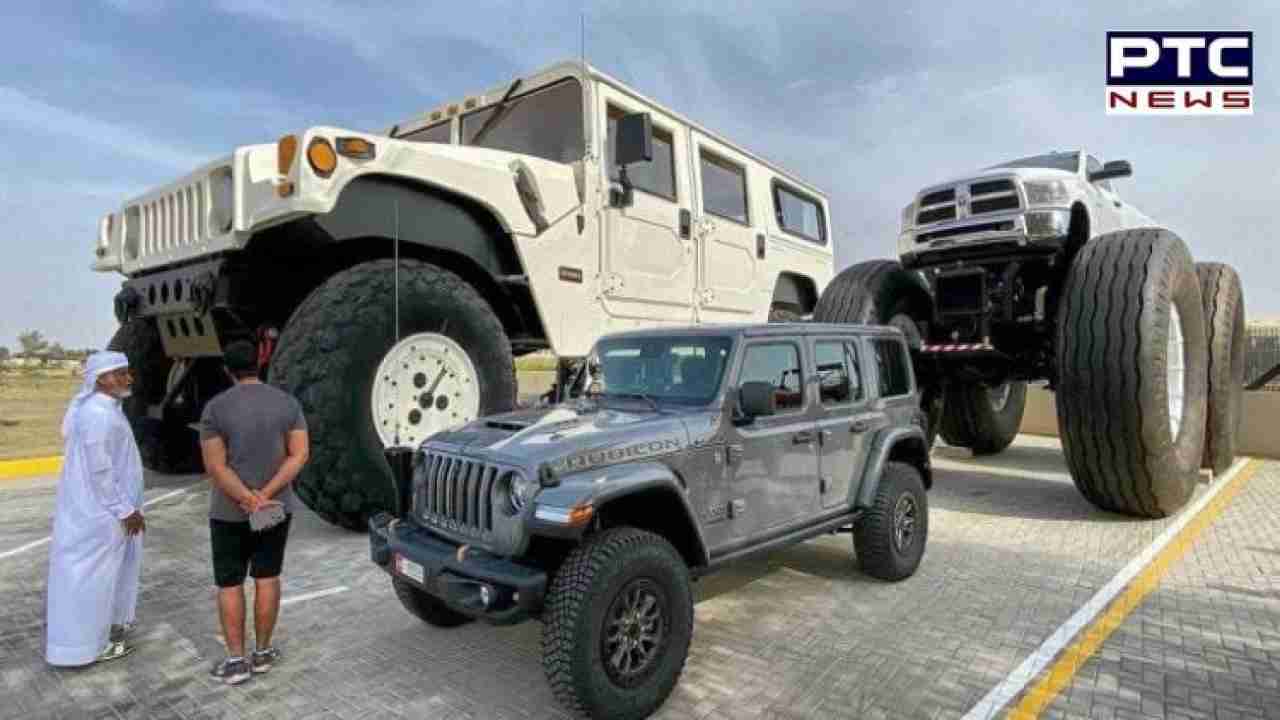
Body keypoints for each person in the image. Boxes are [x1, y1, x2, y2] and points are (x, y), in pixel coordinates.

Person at [199, 340, 309, 685]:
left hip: (228, 512)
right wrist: (266, 495)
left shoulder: (215, 409)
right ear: (261, 361)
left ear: (227, 368)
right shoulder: (288, 404)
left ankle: (235, 662)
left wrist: (247, 498)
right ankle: (262, 654)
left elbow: (216, 467)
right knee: (267, 577)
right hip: (274, 509)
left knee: (230, 584)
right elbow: (299, 455)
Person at [46, 351, 145, 667]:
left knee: (88, 581)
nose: (129, 378)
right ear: (101, 378)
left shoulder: (100, 409)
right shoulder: (98, 414)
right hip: (101, 514)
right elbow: (100, 469)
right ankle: (88, 647)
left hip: (93, 512)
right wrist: (124, 510)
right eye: (121, 373)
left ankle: (85, 644)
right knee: (92, 583)